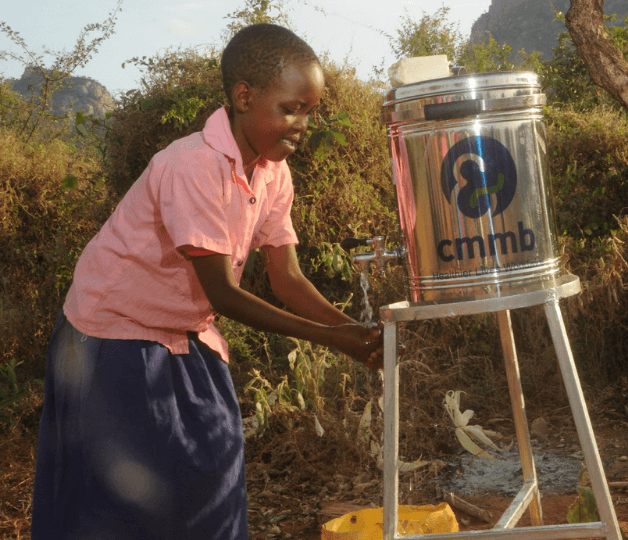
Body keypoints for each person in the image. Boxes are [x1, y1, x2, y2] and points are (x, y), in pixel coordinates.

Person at [31, 23, 382, 540]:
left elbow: (286, 277)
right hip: (110, 341)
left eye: (309, 110)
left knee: (212, 476)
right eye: (291, 108)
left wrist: (356, 330)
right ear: (244, 96)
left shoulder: (271, 172)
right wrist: (334, 340)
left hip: (183, 334)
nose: (302, 122)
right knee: (123, 503)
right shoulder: (193, 165)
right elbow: (222, 293)